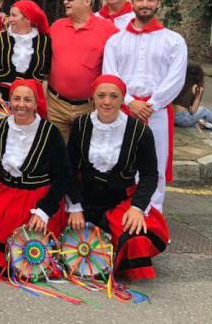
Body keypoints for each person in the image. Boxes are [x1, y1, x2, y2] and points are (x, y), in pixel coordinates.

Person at [0, 80, 70, 277]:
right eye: (16, 99)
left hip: (37, 197)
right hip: (5, 191)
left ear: (37, 103)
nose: (21, 104)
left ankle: (27, 265)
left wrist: (45, 210)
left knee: (28, 236)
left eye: (27, 99)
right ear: (9, 101)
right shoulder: (1, 127)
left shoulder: (50, 132)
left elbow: (63, 176)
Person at [67, 75, 169, 280]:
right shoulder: (81, 125)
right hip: (85, 199)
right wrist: (74, 207)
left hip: (120, 200)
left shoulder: (140, 131)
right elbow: (69, 169)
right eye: (101, 96)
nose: (107, 101)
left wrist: (137, 208)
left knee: (135, 239)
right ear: (93, 98)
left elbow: (150, 175)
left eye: (114, 96)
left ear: (123, 98)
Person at [103, 0, 187, 211]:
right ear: (133, 3)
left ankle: (152, 219)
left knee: (156, 165)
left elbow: (176, 78)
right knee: (118, 161)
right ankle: (119, 213)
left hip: (156, 112)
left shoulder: (174, 41)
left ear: (158, 3)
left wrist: (151, 104)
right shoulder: (115, 40)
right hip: (123, 109)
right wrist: (130, 101)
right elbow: (110, 75)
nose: (145, 4)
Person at [48, 0, 118, 141]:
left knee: (85, 153)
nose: (66, 2)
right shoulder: (57, 26)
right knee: (57, 152)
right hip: (56, 105)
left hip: (89, 107)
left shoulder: (109, 30)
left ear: (87, 1)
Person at [0, 0, 51, 103]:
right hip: (2, 97)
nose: (10, 19)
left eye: (14, 15)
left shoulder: (44, 41)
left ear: (27, 19)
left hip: (30, 98)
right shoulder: (0, 38)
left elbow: (47, 69)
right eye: (10, 15)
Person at [173, 62, 212, 132]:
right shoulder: (198, 88)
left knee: (199, 120)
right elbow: (193, 110)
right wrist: (190, 109)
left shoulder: (180, 83)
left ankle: (210, 126)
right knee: (203, 110)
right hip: (183, 119)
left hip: (172, 117)